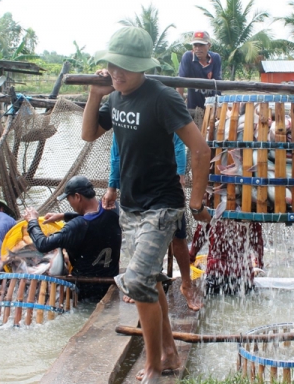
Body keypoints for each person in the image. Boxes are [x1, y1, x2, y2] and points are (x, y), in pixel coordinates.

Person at [82, 27, 211, 384]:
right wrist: (96, 94)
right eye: (112, 66)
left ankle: (154, 367)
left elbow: (200, 150)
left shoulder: (162, 97)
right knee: (148, 283)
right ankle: (168, 353)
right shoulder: (116, 97)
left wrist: (196, 202)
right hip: (131, 205)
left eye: (125, 67)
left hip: (162, 205)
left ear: (143, 67)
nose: (117, 73)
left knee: (137, 282)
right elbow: (89, 134)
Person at [104, 133, 202, 310]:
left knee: (178, 237)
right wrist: (112, 186)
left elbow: (179, 143)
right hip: (134, 185)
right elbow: (116, 152)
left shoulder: (161, 107)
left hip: (165, 187)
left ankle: (186, 284)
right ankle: (141, 280)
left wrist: (180, 176)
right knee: (136, 235)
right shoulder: (123, 111)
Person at [23, 176, 121, 301]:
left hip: (85, 290)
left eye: (69, 200)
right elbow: (94, 217)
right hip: (110, 282)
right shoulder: (113, 209)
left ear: (77, 197)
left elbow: (43, 244)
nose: (70, 204)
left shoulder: (77, 226)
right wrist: (64, 216)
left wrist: (32, 221)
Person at [176, 31, 222, 109]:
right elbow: (180, 83)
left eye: (201, 45)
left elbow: (218, 86)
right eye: (195, 45)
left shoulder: (215, 58)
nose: (198, 48)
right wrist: (178, 107)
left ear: (209, 45)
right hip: (193, 106)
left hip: (211, 107)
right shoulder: (188, 57)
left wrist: (217, 107)